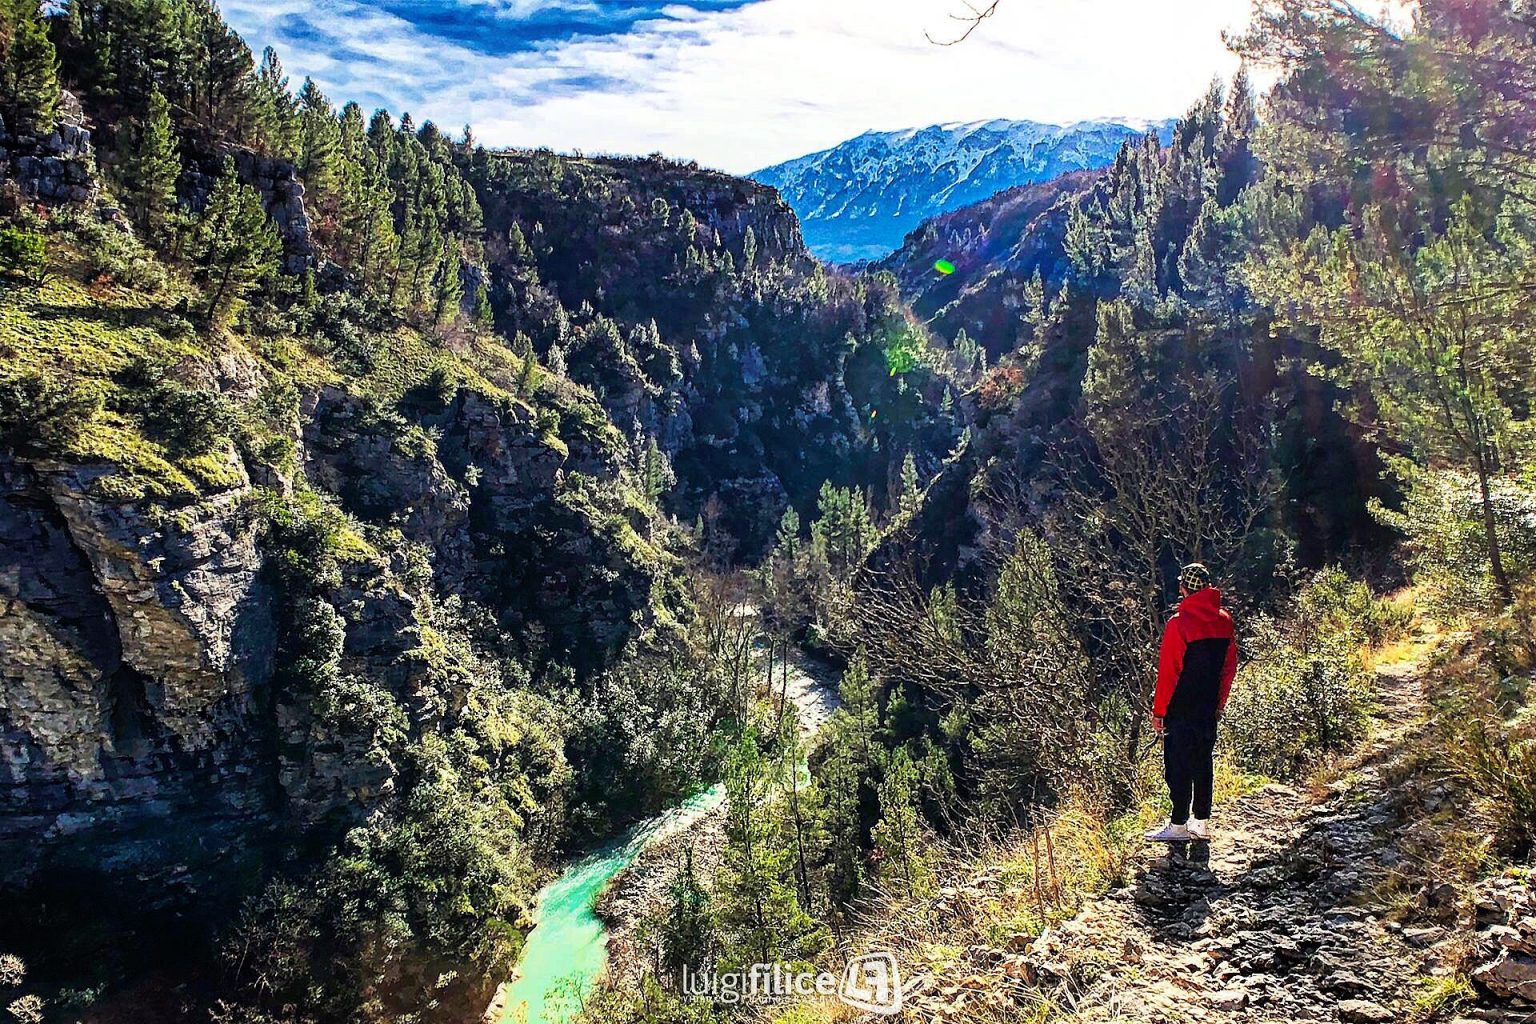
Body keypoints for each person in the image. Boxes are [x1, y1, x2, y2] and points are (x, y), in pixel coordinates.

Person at [1144, 562, 1238, 842]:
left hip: (1180, 708)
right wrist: (1219, 702)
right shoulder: (1225, 620)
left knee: (1177, 765)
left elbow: (1169, 673)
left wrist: (1159, 711)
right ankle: (1202, 822)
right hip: (1208, 706)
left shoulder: (1178, 624)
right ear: (1208, 588)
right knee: (1203, 762)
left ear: (1184, 588)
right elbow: (1228, 667)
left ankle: (1178, 825)